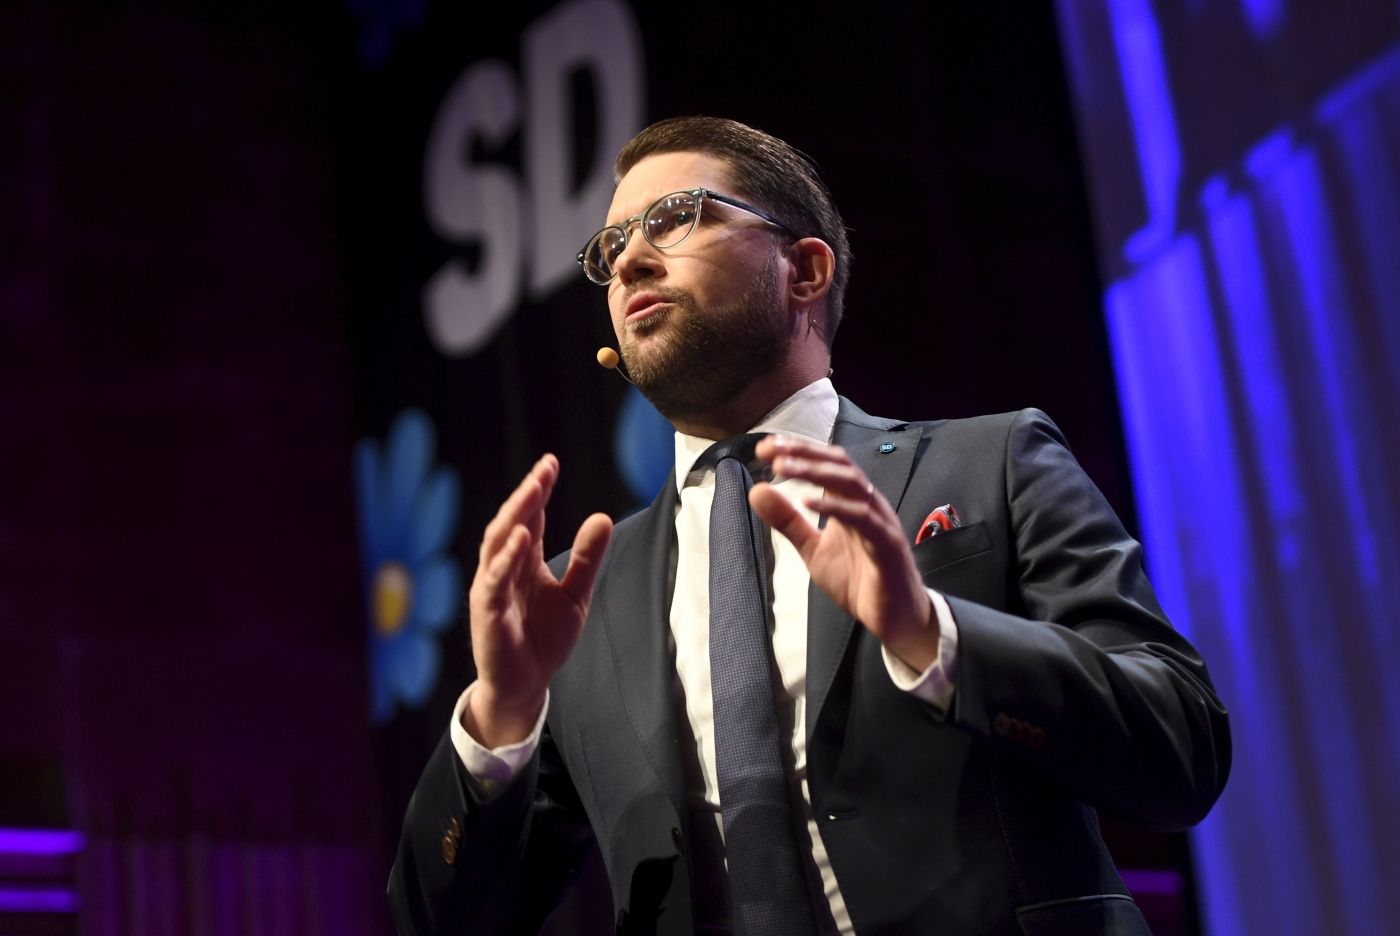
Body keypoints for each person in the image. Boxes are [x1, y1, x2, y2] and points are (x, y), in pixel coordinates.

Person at [387, 116, 1230, 935]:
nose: (630, 259)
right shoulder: (580, 596)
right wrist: (500, 715)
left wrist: (929, 634)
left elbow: (1181, 748)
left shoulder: (992, 464)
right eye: (609, 250)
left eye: (675, 217)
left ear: (805, 270)